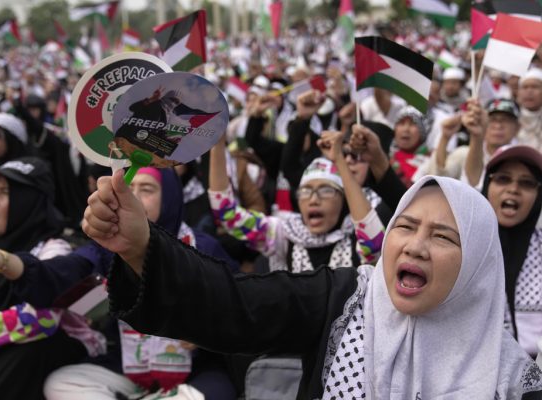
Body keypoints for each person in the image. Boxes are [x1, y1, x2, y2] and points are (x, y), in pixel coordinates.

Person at [84, 171, 542, 399]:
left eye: (442, 236)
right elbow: (237, 305)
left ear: (478, 266)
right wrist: (142, 247)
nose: (415, 247)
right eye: (404, 226)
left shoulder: (513, 380)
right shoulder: (343, 298)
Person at [44, 167, 238, 400]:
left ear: (170, 197)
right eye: (128, 189)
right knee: (61, 383)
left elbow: (239, 306)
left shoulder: (202, 247)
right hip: (127, 368)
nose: (133, 198)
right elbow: (69, 271)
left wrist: (206, 332)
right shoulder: (109, 247)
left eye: (146, 189)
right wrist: (14, 265)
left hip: (195, 372)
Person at [0, 157, 89, 400]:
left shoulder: (55, 250)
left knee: (20, 357)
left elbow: (42, 319)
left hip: (44, 343)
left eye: (6, 192)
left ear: (28, 202)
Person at [209, 128, 385, 272]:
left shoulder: (355, 237)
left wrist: (339, 159)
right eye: (305, 192)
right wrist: (217, 143)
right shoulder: (283, 234)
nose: (313, 200)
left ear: (343, 199)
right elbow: (227, 214)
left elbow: (375, 244)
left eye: (325, 190)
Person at [481, 145, 542, 358]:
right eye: (503, 179)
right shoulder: (462, 247)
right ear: (487, 185)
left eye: (526, 183)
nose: (513, 189)